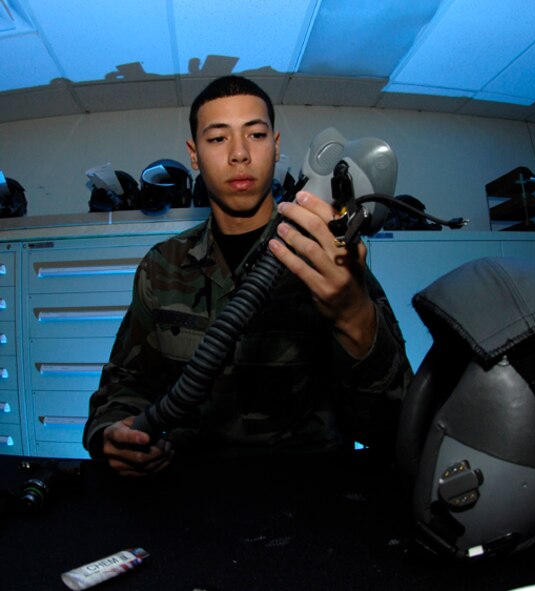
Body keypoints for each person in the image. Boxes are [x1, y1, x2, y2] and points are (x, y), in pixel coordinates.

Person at [83, 75, 413, 477]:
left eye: (255, 135)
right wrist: (112, 435)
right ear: (194, 154)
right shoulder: (161, 266)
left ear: (275, 147)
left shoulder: (330, 255)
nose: (239, 154)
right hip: (191, 493)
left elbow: (394, 424)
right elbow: (124, 386)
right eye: (218, 138)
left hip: (310, 495)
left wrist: (353, 317)